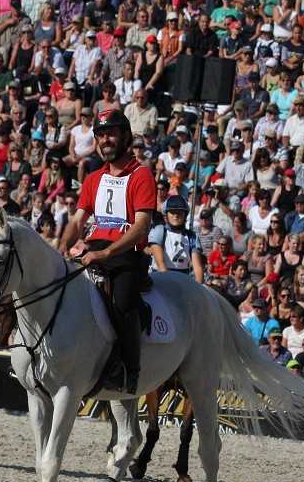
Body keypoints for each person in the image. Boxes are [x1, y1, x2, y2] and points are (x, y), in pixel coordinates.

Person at [58, 109, 155, 394]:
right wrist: (62, 247)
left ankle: (129, 371)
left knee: (122, 305)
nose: (105, 140)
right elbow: (77, 221)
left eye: (111, 134)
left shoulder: (141, 175)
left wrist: (107, 253)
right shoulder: (93, 178)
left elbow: (141, 227)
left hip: (124, 254)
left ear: (126, 136)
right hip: (93, 250)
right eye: (100, 136)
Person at [148, 194, 203, 283]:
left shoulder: (192, 236)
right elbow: (160, 263)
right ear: (166, 214)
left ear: (185, 214)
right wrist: (170, 284)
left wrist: (199, 289)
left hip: (183, 279)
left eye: (179, 212)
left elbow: (197, 268)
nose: (176, 215)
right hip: (160, 277)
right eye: (172, 212)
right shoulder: (159, 231)